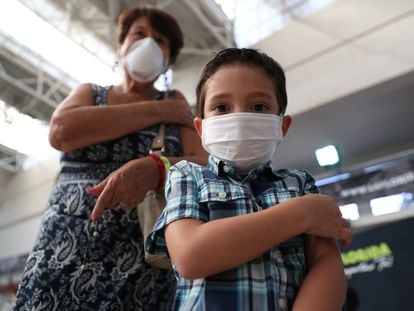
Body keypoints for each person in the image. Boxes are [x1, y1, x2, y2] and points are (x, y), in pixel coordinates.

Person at [13, 5, 207, 311]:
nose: (148, 44)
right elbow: (61, 131)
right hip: (60, 253)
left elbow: (205, 163)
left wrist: (158, 167)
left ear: (168, 60)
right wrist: (158, 110)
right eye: (139, 33)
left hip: (138, 265)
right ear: (121, 46)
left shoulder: (177, 103)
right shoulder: (91, 93)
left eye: (160, 40)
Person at [145, 48, 352, 310]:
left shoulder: (300, 184)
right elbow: (190, 256)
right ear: (201, 128)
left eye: (258, 107)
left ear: (282, 126)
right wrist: (302, 214)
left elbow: (327, 265)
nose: (239, 118)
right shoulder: (187, 175)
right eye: (221, 107)